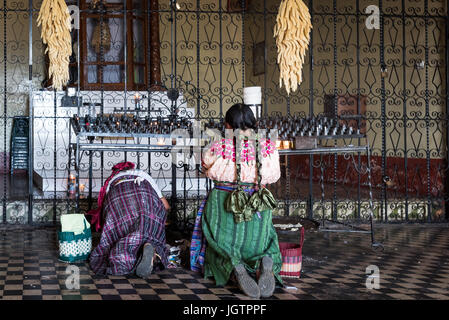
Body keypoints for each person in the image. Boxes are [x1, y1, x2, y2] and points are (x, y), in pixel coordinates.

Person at [196, 103, 283, 299]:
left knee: (217, 238)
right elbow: (274, 175)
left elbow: (205, 165)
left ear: (227, 125)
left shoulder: (218, 146)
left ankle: (233, 265)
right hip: (257, 201)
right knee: (265, 237)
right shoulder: (268, 146)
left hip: (224, 202)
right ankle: (264, 259)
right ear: (255, 123)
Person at [88, 161, 171, 278]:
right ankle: (152, 250)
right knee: (150, 230)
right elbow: (166, 206)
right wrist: (160, 220)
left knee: (120, 233)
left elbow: (105, 212)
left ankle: (128, 256)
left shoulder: (111, 180)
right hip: (146, 194)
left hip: (119, 197)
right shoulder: (144, 176)